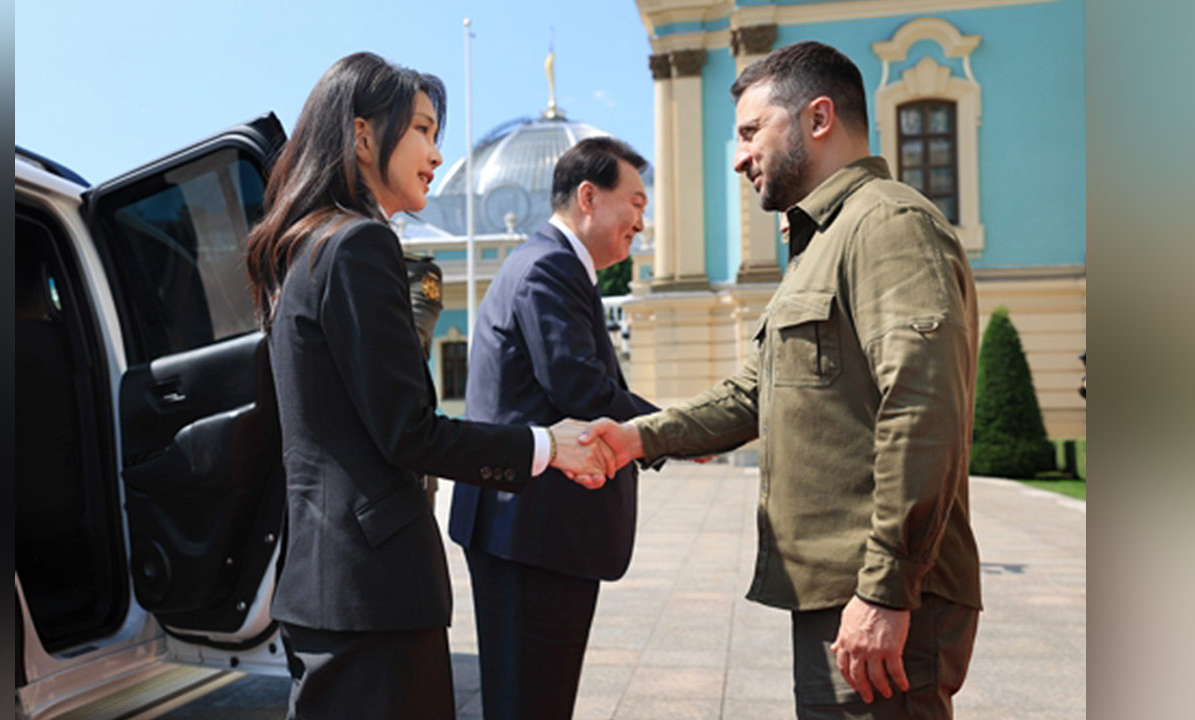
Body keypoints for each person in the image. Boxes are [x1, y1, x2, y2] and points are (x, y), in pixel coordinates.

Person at [580, 41, 982, 719]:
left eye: (750, 132)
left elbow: (922, 409)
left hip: (881, 596)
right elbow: (756, 392)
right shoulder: (822, 239)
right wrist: (635, 438)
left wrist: (885, 589)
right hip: (842, 592)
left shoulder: (887, 225)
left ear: (818, 118)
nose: (740, 157)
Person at [244, 52, 616, 720]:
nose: (437, 155)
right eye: (421, 129)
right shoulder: (357, 245)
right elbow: (408, 432)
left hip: (328, 584)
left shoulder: (306, 246)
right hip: (372, 592)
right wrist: (547, 446)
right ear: (362, 136)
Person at [447, 137, 660, 720]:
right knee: (531, 703)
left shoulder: (552, 264)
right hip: (532, 535)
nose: (641, 223)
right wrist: (671, 432)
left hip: (528, 532)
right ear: (588, 198)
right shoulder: (550, 266)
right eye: (635, 203)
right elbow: (581, 390)